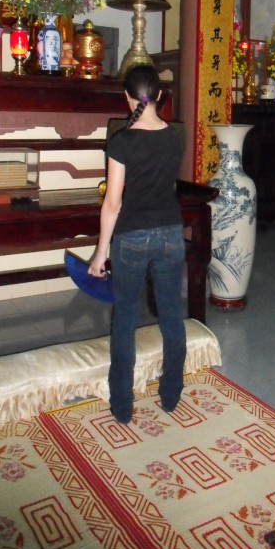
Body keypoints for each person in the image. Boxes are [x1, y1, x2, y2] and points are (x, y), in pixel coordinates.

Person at [88, 65, 186, 424]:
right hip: (171, 233)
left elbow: (112, 203)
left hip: (132, 236)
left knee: (125, 318)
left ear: (127, 97)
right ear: (159, 95)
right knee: (171, 315)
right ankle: (171, 394)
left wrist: (100, 254)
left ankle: (122, 404)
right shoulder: (174, 136)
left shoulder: (122, 141)